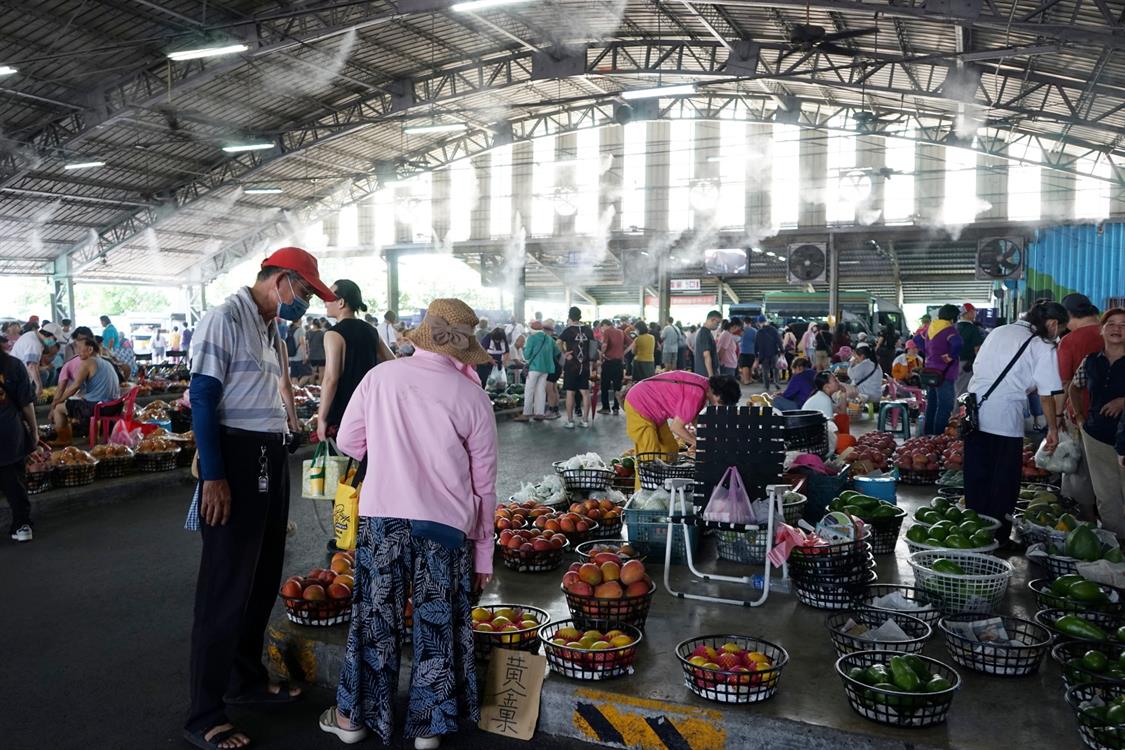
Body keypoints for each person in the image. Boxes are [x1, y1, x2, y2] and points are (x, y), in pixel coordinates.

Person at [319, 298, 496, 750]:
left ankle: (354, 719)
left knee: (375, 621)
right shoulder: (473, 397)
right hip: (445, 528)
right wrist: (483, 555)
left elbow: (350, 442)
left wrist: (393, 444)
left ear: (421, 337)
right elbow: (485, 486)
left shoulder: (380, 378)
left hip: (383, 521)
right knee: (437, 622)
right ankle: (429, 728)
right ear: (463, 348)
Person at [183, 247, 334, 750]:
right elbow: (203, 396)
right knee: (225, 585)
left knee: (262, 575)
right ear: (281, 280)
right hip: (236, 459)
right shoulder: (223, 318)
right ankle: (204, 713)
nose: (306, 302)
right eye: (305, 291)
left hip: (269, 455)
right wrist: (215, 477)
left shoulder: (271, 329)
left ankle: (243, 679)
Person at [964, 300, 1068, 544]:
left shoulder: (999, 331)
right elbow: (1046, 394)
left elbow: (981, 367)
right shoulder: (1042, 345)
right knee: (1003, 479)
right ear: (1052, 324)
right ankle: (997, 537)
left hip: (975, 411)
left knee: (977, 475)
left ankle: (973, 531)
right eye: (1060, 330)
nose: (1058, 335)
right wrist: (1052, 429)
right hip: (1004, 418)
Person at [623, 371, 741, 486]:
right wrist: (700, 444)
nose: (719, 408)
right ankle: (643, 496)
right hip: (639, 405)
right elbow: (676, 427)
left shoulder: (703, 386)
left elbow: (695, 420)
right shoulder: (696, 394)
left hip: (653, 411)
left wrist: (707, 439)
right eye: (722, 404)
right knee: (649, 458)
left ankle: (664, 486)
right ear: (719, 396)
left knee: (670, 448)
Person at [1070, 309, 1125, 535]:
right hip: (1095, 435)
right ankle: (1118, 547)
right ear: (1101, 330)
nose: (1116, 328)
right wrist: (1080, 416)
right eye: (1110, 323)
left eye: (1123, 325)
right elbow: (1075, 386)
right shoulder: (1091, 361)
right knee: (1106, 495)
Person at [317, 280, 392, 444]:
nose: (325, 302)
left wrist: (321, 418)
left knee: (342, 465)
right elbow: (393, 363)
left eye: (329, 297)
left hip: (344, 411)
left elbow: (331, 379)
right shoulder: (372, 331)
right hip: (370, 408)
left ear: (341, 302)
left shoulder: (333, 334)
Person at [1057, 293, 1105, 516]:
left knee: (1080, 470)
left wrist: (1057, 418)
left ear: (1067, 315)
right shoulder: (1111, 334)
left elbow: (1065, 383)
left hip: (1081, 414)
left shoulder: (1070, 341)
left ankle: (1086, 519)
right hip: (1114, 415)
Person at [47, 337, 120, 446]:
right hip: (114, 406)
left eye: (80, 348)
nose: (77, 352)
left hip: (97, 407)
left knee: (59, 408)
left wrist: (57, 401)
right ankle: (92, 437)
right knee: (80, 400)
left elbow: (74, 387)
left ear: (90, 349)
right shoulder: (107, 362)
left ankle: (64, 439)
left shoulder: (88, 362)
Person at [0, 338, 37, 542]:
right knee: (13, 480)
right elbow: (25, 403)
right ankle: (22, 525)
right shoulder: (13, 365)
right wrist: (33, 430)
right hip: (8, 431)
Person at [916, 304, 963, 435]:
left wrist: (926, 351)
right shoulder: (949, 329)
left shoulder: (931, 327)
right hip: (945, 373)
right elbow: (958, 343)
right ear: (953, 318)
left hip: (930, 371)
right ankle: (939, 436)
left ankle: (928, 434)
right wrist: (951, 356)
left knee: (932, 404)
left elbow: (916, 338)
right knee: (945, 405)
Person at [558, 307, 595, 429]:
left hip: (572, 365)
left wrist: (564, 353)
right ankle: (585, 420)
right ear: (580, 316)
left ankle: (570, 421)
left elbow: (557, 342)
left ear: (570, 316)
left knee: (570, 393)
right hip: (584, 366)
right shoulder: (588, 330)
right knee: (585, 392)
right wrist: (590, 361)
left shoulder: (568, 330)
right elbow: (594, 348)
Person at [515, 320, 555, 422]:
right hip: (546, 368)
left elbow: (527, 355)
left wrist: (525, 350)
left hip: (534, 368)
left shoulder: (531, 338)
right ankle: (539, 413)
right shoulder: (549, 339)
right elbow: (555, 352)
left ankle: (526, 414)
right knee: (541, 391)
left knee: (529, 391)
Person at [10, 322, 60, 396]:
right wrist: (39, 386)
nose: (54, 342)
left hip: (17, 373)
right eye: (55, 339)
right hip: (16, 376)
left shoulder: (32, 335)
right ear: (49, 335)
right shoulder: (34, 343)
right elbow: (31, 366)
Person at [954, 304, 984, 397]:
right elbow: (977, 349)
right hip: (966, 363)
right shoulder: (973, 328)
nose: (975, 313)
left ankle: (953, 410)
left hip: (951, 363)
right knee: (963, 390)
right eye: (974, 311)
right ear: (969, 313)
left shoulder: (954, 327)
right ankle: (958, 411)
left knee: (955, 388)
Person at [598, 319, 626, 414]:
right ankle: (616, 408)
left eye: (601, 327)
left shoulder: (607, 331)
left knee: (605, 385)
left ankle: (606, 408)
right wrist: (623, 353)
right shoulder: (621, 332)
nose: (601, 330)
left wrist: (601, 354)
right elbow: (632, 343)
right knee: (617, 386)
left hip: (608, 362)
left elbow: (605, 345)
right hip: (619, 363)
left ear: (605, 325)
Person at [846, 344, 884, 409]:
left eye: (856, 357)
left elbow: (851, 375)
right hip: (876, 395)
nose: (856, 359)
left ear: (862, 356)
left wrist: (851, 364)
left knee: (844, 394)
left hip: (868, 395)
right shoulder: (874, 363)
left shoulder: (865, 364)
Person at [755, 316, 783, 392]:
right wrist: (782, 350)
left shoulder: (759, 332)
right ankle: (776, 382)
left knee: (765, 371)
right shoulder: (773, 330)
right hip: (774, 353)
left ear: (759, 323)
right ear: (766, 321)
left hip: (763, 355)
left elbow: (756, 345)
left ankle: (766, 386)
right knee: (775, 369)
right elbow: (779, 341)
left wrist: (756, 355)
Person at [542, 319, 561, 419]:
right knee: (554, 388)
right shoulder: (555, 339)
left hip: (551, 367)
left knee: (549, 389)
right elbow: (558, 354)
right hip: (557, 367)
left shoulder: (547, 341)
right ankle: (556, 410)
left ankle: (551, 410)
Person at [693, 311, 721, 378]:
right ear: (712, 319)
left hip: (704, 374)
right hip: (706, 375)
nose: (718, 325)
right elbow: (706, 355)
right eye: (717, 323)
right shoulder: (705, 333)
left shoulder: (706, 332)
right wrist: (711, 376)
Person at [739, 318, 759, 385]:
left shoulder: (742, 330)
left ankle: (746, 380)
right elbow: (756, 341)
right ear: (751, 323)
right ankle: (750, 379)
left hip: (743, 350)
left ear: (744, 322)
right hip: (752, 351)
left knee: (745, 366)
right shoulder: (754, 331)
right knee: (750, 365)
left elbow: (739, 340)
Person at [307, 317, 326, 383]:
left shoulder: (308, 333)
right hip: (321, 355)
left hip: (312, 355)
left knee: (312, 372)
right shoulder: (322, 333)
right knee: (322, 371)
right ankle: (320, 386)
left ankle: (311, 386)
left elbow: (307, 344)